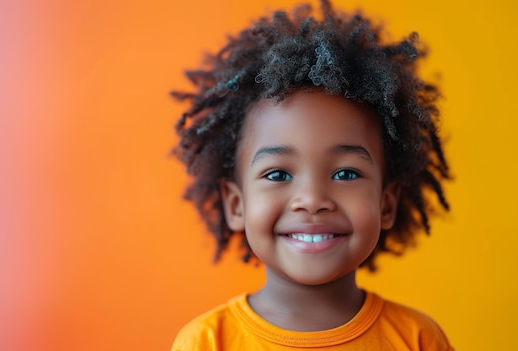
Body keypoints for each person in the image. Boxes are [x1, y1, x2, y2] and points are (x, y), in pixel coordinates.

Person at [170, 0, 453, 349]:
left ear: (386, 204)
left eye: (346, 173)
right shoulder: (207, 341)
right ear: (236, 204)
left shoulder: (417, 339)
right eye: (277, 175)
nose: (313, 201)